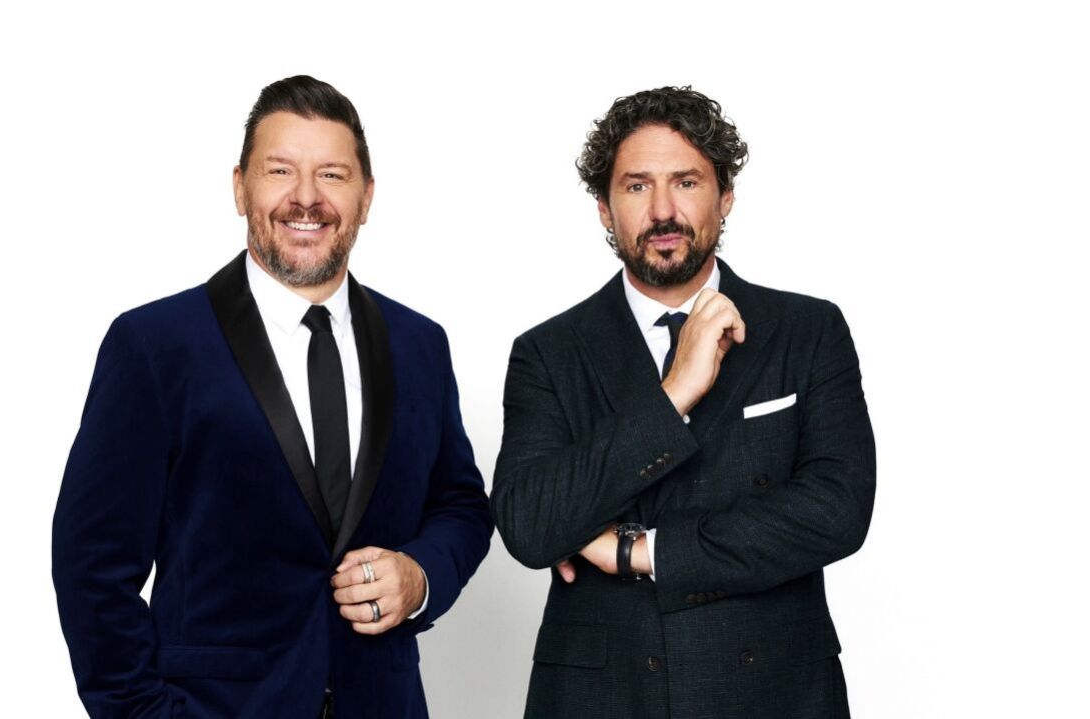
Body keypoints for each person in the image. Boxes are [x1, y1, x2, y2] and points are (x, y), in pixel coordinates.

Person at [52, 75, 493, 719]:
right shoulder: (153, 345)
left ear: (367, 197)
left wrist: (420, 575)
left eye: (332, 175)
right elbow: (92, 563)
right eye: (280, 170)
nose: (306, 198)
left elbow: (460, 505)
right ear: (240, 187)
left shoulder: (419, 344)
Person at [492, 86, 875, 718]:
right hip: (603, 698)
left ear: (725, 198)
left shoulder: (808, 331)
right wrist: (673, 395)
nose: (663, 210)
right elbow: (530, 526)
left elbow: (836, 511)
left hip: (773, 692)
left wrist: (639, 551)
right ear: (604, 207)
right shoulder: (548, 353)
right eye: (637, 186)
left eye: (687, 182)